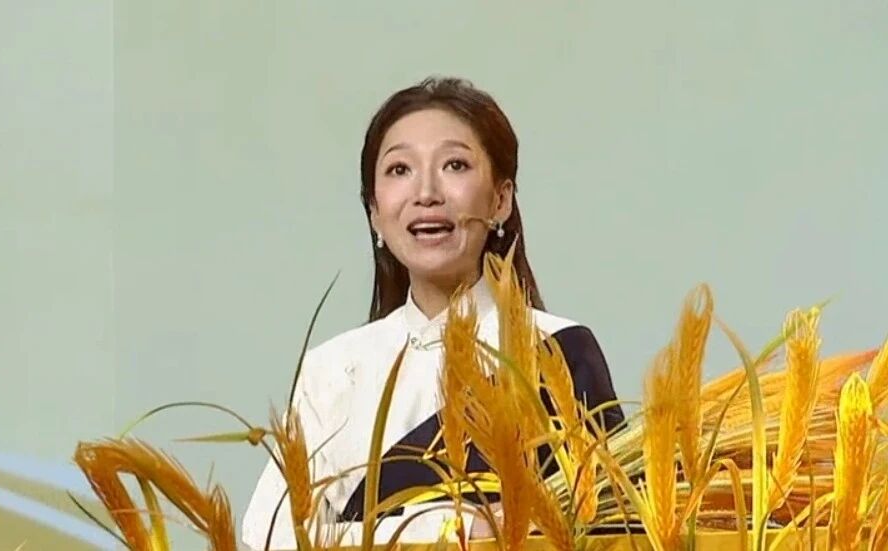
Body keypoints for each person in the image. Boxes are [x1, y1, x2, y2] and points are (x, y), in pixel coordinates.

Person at [241, 76, 624, 550]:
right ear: (375, 211)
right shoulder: (334, 368)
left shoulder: (557, 353)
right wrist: (450, 525)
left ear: (500, 200)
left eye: (454, 165)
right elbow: (272, 537)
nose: (426, 192)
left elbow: (610, 530)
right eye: (399, 169)